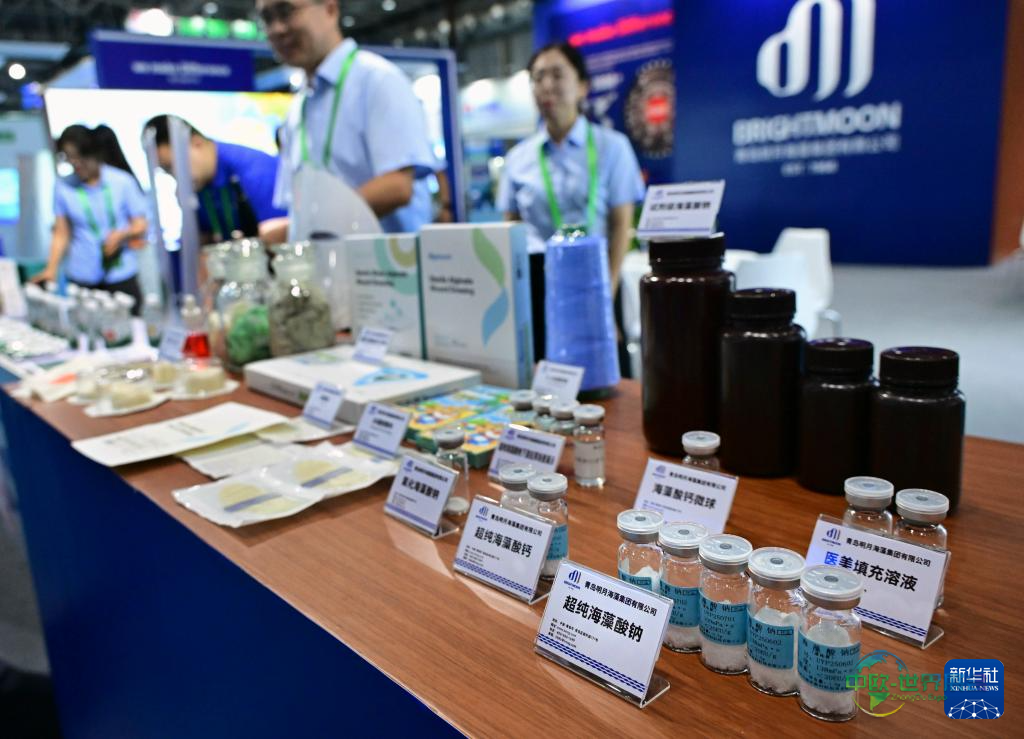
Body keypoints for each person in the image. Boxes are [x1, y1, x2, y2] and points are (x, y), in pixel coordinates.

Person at [497, 42, 645, 362]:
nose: (546, 85)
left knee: (604, 378)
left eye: (557, 74)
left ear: (582, 86)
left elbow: (621, 226)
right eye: (538, 77)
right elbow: (511, 233)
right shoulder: (518, 159)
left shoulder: (612, 147)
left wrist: (605, 297)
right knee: (546, 374)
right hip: (539, 283)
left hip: (598, 278)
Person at [257, 0, 438, 238]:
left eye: (286, 12)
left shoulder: (377, 80)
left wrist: (307, 225)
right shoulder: (297, 108)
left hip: (384, 260)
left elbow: (397, 186)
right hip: (326, 260)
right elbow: (297, 204)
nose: (277, 29)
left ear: (330, 9)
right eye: (267, 18)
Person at [33, 126, 149, 310]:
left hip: (120, 273)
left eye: (80, 157)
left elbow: (141, 224)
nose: (76, 163)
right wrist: (51, 268)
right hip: (82, 274)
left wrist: (122, 235)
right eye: (70, 158)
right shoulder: (63, 187)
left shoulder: (121, 181)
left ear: (94, 153)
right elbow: (61, 233)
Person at [144, 115, 287, 243]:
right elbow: (201, 239)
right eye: (166, 171)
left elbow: (283, 230)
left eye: (173, 166)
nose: (176, 176)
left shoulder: (256, 170)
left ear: (197, 143)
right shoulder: (199, 184)